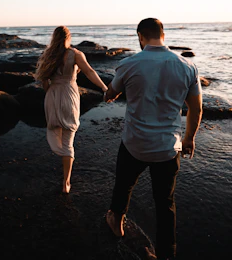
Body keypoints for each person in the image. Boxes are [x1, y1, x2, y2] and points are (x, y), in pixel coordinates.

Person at [104, 18, 202, 260]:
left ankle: (116, 222)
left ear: (140, 36)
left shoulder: (129, 64)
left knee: (124, 185)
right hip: (169, 146)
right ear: (163, 35)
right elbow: (196, 109)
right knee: (165, 203)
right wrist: (189, 139)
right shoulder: (187, 67)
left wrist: (110, 93)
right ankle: (166, 253)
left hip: (134, 144)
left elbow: (111, 92)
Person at [35, 26, 108, 194]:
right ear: (68, 37)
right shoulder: (75, 54)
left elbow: (44, 81)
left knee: (54, 128)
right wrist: (105, 88)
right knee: (69, 137)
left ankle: (59, 152)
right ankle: (66, 181)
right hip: (69, 94)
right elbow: (89, 72)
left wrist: (51, 93)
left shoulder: (48, 55)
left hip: (53, 95)